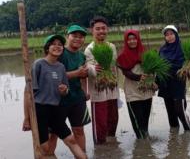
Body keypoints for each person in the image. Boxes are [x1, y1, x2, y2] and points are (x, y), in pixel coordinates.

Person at [23, 34, 87, 158]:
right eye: (54, 44)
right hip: (40, 110)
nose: (57, 47)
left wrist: (64, 90)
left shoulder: (61, 67)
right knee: (44, 148)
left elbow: (65, 91)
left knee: (71, 140)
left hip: (56, 109)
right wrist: (27, 118)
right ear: (47, 48)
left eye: (60, 45)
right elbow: (28, 93)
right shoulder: (39, 64)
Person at [47, 25, 91, 153]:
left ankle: (82, 155)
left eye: (81, 36)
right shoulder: (59, 53)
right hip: (58, 100)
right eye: (74, 36)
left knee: (79, 130)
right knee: (53, 132)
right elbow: (52, 75)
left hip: (77, 98)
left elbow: (83, 75)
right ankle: (49, 155)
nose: (78, 39)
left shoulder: (81, 56)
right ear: (68, 37)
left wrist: (85, 90)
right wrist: (76, 73)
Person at [84, 16, 119, 144]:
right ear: (92, 31)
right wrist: (93, 68)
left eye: (103, 28)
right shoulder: (89, 49)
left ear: (107, 30)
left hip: (112, 89)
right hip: (98, 92)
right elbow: (88, 67)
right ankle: (100, 149)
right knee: (101, 123)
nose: (101, 31)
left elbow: (114, 65)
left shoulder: (112, 47)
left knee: (113, 120)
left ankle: (112, 148)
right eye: (97, 29)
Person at [117, 29, 154, 139]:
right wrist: (138, 77)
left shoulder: (145, 53)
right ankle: (141, 142)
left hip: (146, 90)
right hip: (132, 92)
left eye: (134, 39)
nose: (132, 41)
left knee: (145, 120)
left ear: (138, 40)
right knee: (137, 121)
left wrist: (153, 81)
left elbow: (153, 69)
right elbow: (125, 72)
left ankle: (145, 147)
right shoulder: (123, 56)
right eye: (129, 39)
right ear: (126, 41)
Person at [157, 25, 190, 131]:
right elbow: (158, 66)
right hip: (165, 83)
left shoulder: (183, 48)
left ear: (176, 34)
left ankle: (187, 131)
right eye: (166, 35)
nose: (169, 37)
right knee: (170, 112)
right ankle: (174, 136)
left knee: (179, 110)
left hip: (178, 83)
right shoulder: (162, 49)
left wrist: (189, 67)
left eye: (171, 34)